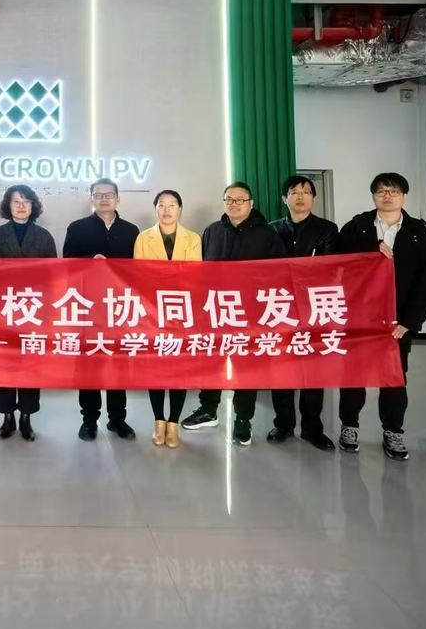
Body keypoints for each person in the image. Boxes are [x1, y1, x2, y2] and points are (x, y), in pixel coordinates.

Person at [336, 172, 426, 461]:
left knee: (393, 377)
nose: (387, 196)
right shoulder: (357, 227)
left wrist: (410, 321)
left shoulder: (418, 232)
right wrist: (369, 250)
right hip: (358, 317)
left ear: (404, 196)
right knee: (353, 374)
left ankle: (393, 430)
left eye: (394, 191)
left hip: (397, 321)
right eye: (381, 191)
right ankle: (349, 426)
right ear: (373, 196)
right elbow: (336, 261)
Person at [181, 181, 285, 446]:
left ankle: (243, 419)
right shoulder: (212, 231)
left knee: (247, 365)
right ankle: (208, 409)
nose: (234, 204)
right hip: (216, 309)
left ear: (251, 203)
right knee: (212, 359)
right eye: (229, 199)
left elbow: (279, 273)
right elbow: (201, 271)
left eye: (240, 200)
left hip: (252, 311)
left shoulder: (268, 234)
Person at [63, 178, 140, 441]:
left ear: (118, 198)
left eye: (109, 195)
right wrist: (89, 262)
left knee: (118, 363)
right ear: (91, 199)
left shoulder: (131, 231)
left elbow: (139, 270)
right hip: (88, 306)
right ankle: (89, 420)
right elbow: (67, 264)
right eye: (98, 194)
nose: (104, 199)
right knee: (89, 364)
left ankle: (118, 419)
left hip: (120, 307)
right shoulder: (77, 228)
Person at [267, 175, 339, 452]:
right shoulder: (271, 230)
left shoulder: (327, 229)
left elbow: (327, 269)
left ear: (314, 198)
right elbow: (265, 268)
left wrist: (293, 271)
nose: (300, 196)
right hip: (280, 308)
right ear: (284, 198)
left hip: (313, 308)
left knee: (312, 370)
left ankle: (312, 428)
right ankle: (283, 424)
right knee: (281, 368)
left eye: (306, 192)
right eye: (294, 192)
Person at [0, 184, 58, 441]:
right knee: (3, 364)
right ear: (9, 206)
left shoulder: (44, 237)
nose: (21, 206)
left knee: (30, 364)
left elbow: (52, 277)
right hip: (2, 311)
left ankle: (26, 416)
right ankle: (7, 417)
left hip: (33, 311)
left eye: (26, 201)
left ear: (33, 205)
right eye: (16, 201)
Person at [134, 190, 202, 449]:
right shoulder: (143, 238)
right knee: (155, 368)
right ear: (156, 209)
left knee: (178, 368)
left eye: (172, 205)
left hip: (182, 312)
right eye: (161, 205)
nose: (166, 209)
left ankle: (173, 422)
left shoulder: (193, 238)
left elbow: (195, 276)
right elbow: (139, 275)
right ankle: (158, 420)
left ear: (180, 209)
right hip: (153, 312)